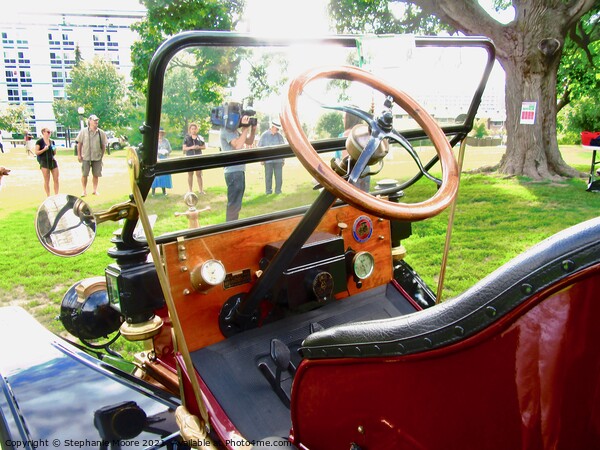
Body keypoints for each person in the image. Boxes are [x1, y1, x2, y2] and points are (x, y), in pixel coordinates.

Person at [220, 109, 257, 222]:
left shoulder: (235, 131)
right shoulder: (226, 130)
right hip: (233, 172)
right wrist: (245, 128)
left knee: (236, 205)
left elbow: (249, 142)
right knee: (233, 205)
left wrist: (253, 130)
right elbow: (238, 146)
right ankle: (230, 228)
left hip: (238, 171)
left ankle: (232, 226)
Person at [77, 114, 107, 197]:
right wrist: (79, 155)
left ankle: (95, 190)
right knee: (84, 174)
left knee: (96, 174)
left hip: (97, 157)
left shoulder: (101, 133)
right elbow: (79, 143)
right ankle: (84, 191)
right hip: (86, 156)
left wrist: (101, 156)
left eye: (97, 120)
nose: (96, 122)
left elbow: (104, 145)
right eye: (94, 120)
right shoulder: (83, 131)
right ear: (90, 121)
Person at [341, 112, 370, 192]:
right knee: (364, 196)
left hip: (353, 170)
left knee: (353, 196)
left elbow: (345, 158)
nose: (343, 120)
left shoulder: (347, 134)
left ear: (348, 119)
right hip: (365, 169)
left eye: (344, 118)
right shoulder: (364, 132)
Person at [258, 120, 286, 195]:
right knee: (268, 177)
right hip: (268, 161)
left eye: (278, 129)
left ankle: (278, 191)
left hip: (278, 160)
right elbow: (260, 147)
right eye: (277, 129)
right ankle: (268, 191)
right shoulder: (264, 135)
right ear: (272, 127)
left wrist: (283, 160)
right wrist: (261, 159)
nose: (277, 130)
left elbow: (283, 149)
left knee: (279, 177)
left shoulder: (280, 136)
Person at [34, 127, 59, 196]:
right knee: (47, 180)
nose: (49, 133)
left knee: (56, 179)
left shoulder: (52, 141)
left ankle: (56, 195)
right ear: (43, 132)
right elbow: (36, 152)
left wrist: (54, 149)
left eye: (50, 132)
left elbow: (54, 152)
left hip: (52, 161)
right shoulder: (39, 141)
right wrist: (44, 149)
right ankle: (48, 195)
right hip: (44, 162)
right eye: (48, 132)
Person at [182, 122, 206, 194]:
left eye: (195, 129)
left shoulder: (200, 138)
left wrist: (199, 147)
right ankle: (190, 190)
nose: (194, 130)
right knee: (190, 174)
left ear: (197, 129)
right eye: (192, 129)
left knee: (199, 174)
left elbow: (204, 147)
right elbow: (184, 148)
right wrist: (191, 147)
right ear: (190, 130)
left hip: (198, 157)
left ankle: (201, 190)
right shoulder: (187, 138)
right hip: (190, 157)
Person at [151, 128, 173, 196]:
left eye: (161, 133)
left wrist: (166, 152)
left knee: (163, 175)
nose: (160, 134)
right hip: (155, 159)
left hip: (164, 158)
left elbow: (170, 150)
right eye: (159, 133)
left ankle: (164, 191)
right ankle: (153, 192)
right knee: (155, 175)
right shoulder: (154, 141)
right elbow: (151, 150)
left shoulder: (166, 141)